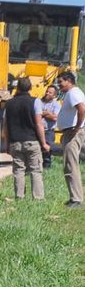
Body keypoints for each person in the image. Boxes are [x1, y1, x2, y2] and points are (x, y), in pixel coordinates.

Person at [4, 77, 48, 200]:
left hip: (15, 142)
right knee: (35, 170)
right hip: (31, 141)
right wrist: (44, 143)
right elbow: (39, 124)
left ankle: (19, 197)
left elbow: (5, 126)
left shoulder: (9, 103)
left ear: (17, 88)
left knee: (18, 170)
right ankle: (38, 198)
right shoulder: (35, 102)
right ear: (30, 88)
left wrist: (7, 144)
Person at [56, 71, 85, 206]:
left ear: (69, 81)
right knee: (70, 165)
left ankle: (76, 199)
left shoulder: (73, 93)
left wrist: (77, 128)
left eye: (60, 81)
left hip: (73, 133)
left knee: (71, 165)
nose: (59, 84)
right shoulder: (73, 93)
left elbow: (82, 109)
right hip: (70, 132)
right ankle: (75, 198)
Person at [40, 84, 61, 167]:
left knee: (47, 149)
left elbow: (55, 118)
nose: (47, 93)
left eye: (50, 93)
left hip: (48, 131)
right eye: (47, 91)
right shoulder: (39, 102)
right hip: (38, 130)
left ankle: (46, 166)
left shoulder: (56, 105)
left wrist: (43, 113)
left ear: (54, 95)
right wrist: (48, 113)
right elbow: (35, 114)